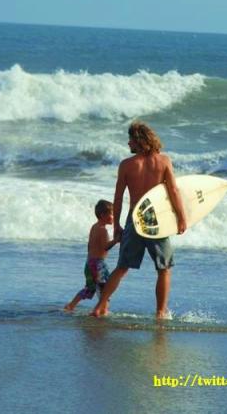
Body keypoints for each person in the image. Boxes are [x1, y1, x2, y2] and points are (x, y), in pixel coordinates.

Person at [91, 121, 187, 319]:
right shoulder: (164, 161)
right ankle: (160, 312)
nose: (128, 144)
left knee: (123, 266)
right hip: (155, 219)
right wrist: (181, 218)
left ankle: (100, 307)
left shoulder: (127, 165)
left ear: (139, 140)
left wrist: (117, 225)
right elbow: (173, 191)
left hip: (135, 217)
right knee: (164, 268)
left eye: (130, 140)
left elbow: (117, 198)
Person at [64, 199, 119, 312]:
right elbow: (105, 246)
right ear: (103, 215)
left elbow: (89, 245)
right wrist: (116, 240)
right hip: (98, 264)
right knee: (105, 289)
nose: (114, 216)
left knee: (89, 288)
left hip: (90, 263)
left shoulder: (94, 227)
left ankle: (71, 305)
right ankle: (103, 311)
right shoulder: (103, 230)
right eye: (112, 214)